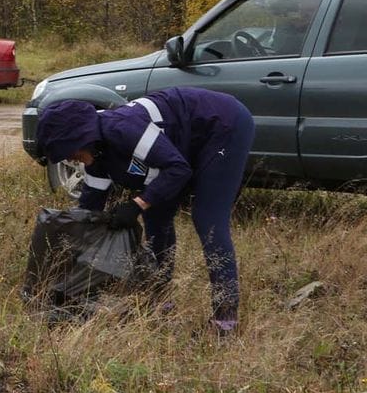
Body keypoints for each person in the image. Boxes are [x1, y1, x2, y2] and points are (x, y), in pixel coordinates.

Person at [34, 87, 255, 335]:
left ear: (79, 137)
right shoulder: (97, 158)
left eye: (69, 150)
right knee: (155, 218)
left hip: (222, 124)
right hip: (179, 143)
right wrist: (66, 261)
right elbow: (88, 211)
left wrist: (136, 205)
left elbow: (178, 169)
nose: (71, 158)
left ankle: (226, 321)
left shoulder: (122, 130)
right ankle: (161, 303)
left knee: (208, 218)